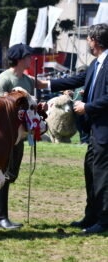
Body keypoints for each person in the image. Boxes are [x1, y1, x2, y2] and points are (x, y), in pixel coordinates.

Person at [38, 23, 108, 234]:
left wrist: (88, 106)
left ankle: (104, 222)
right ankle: (91, 217)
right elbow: (78, 80)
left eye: (88, 39)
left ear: (95, 40)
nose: (87, 42)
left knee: (102, 177)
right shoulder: (97, 64)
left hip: (105, 131)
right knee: (91, 173)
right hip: (94, 131)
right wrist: (47, 85)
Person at [0, 43, 35, 229]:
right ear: (19, 58)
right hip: (5, 137)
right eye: (27, 56)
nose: (30, 59)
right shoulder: (3, 79)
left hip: (21, 137)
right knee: (3, 176)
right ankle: (0, 217)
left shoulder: (28, 81)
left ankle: (1, 216)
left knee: (11, 175)